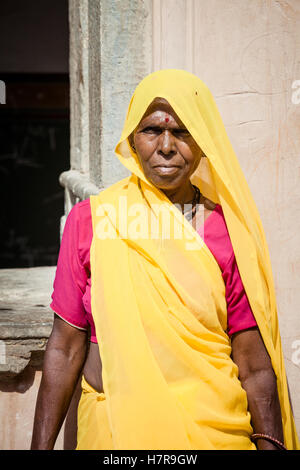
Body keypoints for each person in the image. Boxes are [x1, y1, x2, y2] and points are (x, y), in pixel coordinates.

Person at [31, 69, 299, 450]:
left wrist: (270, 443)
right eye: (152, 130)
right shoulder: (92, 220)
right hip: (117, 435)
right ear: (132, 138)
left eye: (183, 131)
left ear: (204, 142)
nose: (167, 146)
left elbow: (254, 365)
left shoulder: (226, 231)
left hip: (212, 432)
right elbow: (65, 346)